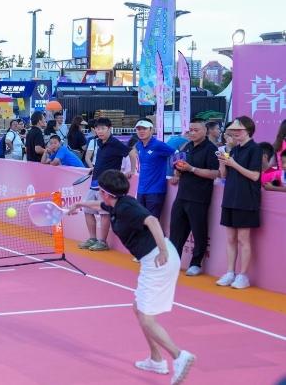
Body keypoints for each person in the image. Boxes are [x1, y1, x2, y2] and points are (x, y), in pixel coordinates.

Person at [69, 170, 195, 385]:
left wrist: (162, 250)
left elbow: (152, 221)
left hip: (158, 260)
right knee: (139, 309)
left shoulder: (126, 207)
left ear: (105, 192)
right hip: (153, 259)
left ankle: (179, 356)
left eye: (100, 191)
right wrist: (80, 204)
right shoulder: (117, 203)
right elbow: (101, 206)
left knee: (146, 317)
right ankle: (156, 360)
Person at [169, 118, 221, 276]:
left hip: (199, 196)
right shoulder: (187, 146)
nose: (192, 133)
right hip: (182, 195)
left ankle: (196, 264)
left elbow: (215, 173)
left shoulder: (211, 149)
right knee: (176, 231)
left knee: (199, 231)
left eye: (196, 130)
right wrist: (177, 170)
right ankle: (173, 262)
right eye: (190, 130)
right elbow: (180, 167)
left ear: (205, 131)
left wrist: (192, 169)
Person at [216, 117, 262, 289]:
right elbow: (224, 176)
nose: (235, 133)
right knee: (230, 238)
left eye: (239, 130)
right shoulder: (234, 150)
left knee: (243, 239)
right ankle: (230, 272)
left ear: (248, 131)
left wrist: (233, 164)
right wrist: (222, 164)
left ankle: (243, 276)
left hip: (246, 199)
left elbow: (255, 176)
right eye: (233, 130)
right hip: (230, 198)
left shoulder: (255, 149)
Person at [78, 117, 129, 251]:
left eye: (103, 128)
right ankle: (92, 239)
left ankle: (103, 242)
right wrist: (95, 169)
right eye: (97, 128)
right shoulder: (99, 143)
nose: (100, 131)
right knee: (87, 209)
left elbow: (131, 153)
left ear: (109, 129)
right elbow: (103, 161)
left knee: (104, 213)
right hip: (95, 182)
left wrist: (130, 171)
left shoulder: (115, 143)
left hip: (108, 185)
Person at [134, 119, 176, 219]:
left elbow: (177, 155)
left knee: (152, 222)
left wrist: (177, 173)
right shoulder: (139, 145)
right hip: (141, 190)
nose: (141, 131)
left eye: (144, 128)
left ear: (151, 130)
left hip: (155, 191)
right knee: (140, 221)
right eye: (138, 129)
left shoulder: (158, 145)